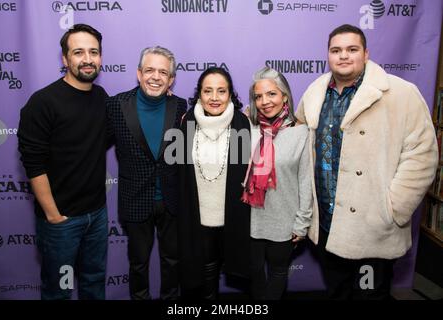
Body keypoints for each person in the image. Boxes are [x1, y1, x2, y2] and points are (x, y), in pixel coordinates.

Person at [295, 24, 439, 300]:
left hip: (373, 228)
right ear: (328, 55)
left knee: (369, 296)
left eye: (352, 49)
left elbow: (422, 154)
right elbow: (298, 132)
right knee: (337, 291)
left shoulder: (400, 93)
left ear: (366, 53)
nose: (344, 56)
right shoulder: (315, 92)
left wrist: (394, 208)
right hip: (328, 224)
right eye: (336, 50)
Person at [17, 24, 108, 300]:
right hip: (62, 223)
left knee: (94, 283)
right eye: (78, 52)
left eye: (94, 52)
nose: (87, 59)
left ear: (101, 57)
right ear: (65, 59)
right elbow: (33, 163)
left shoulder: (101, 98)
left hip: (97, 216)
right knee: (60, 290)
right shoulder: (43, 102)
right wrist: (54, 216)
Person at [106, 46, 186, 300]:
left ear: (171, 79)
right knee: (138, 264)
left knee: (172, 262)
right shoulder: (117, 104)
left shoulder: (180, 106)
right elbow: (92, 141)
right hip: (135, 199)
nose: (156, 76)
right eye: (150, 70)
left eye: (163, 72)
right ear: (139, 73)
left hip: (172, 201)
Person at [178, 67, 251, 300]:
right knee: (206, 271)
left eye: (221, 91)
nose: (214, 97)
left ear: (230, 94)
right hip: (198, 217)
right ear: (199, 94)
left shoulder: (243, 124)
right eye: (207, 91)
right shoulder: (186, 123)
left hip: (233, 214)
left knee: (235, 266)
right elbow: (178, 171)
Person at [242, 67, 312, 300]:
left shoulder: (301, 132)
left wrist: (302, 222)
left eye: (271, 94)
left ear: (284, 96)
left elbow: (304, 180)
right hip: (249, 218)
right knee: (253, 273)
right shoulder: (246, 128)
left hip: (283, 219)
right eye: (259, 96)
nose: (265, 101)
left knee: (278, 272)